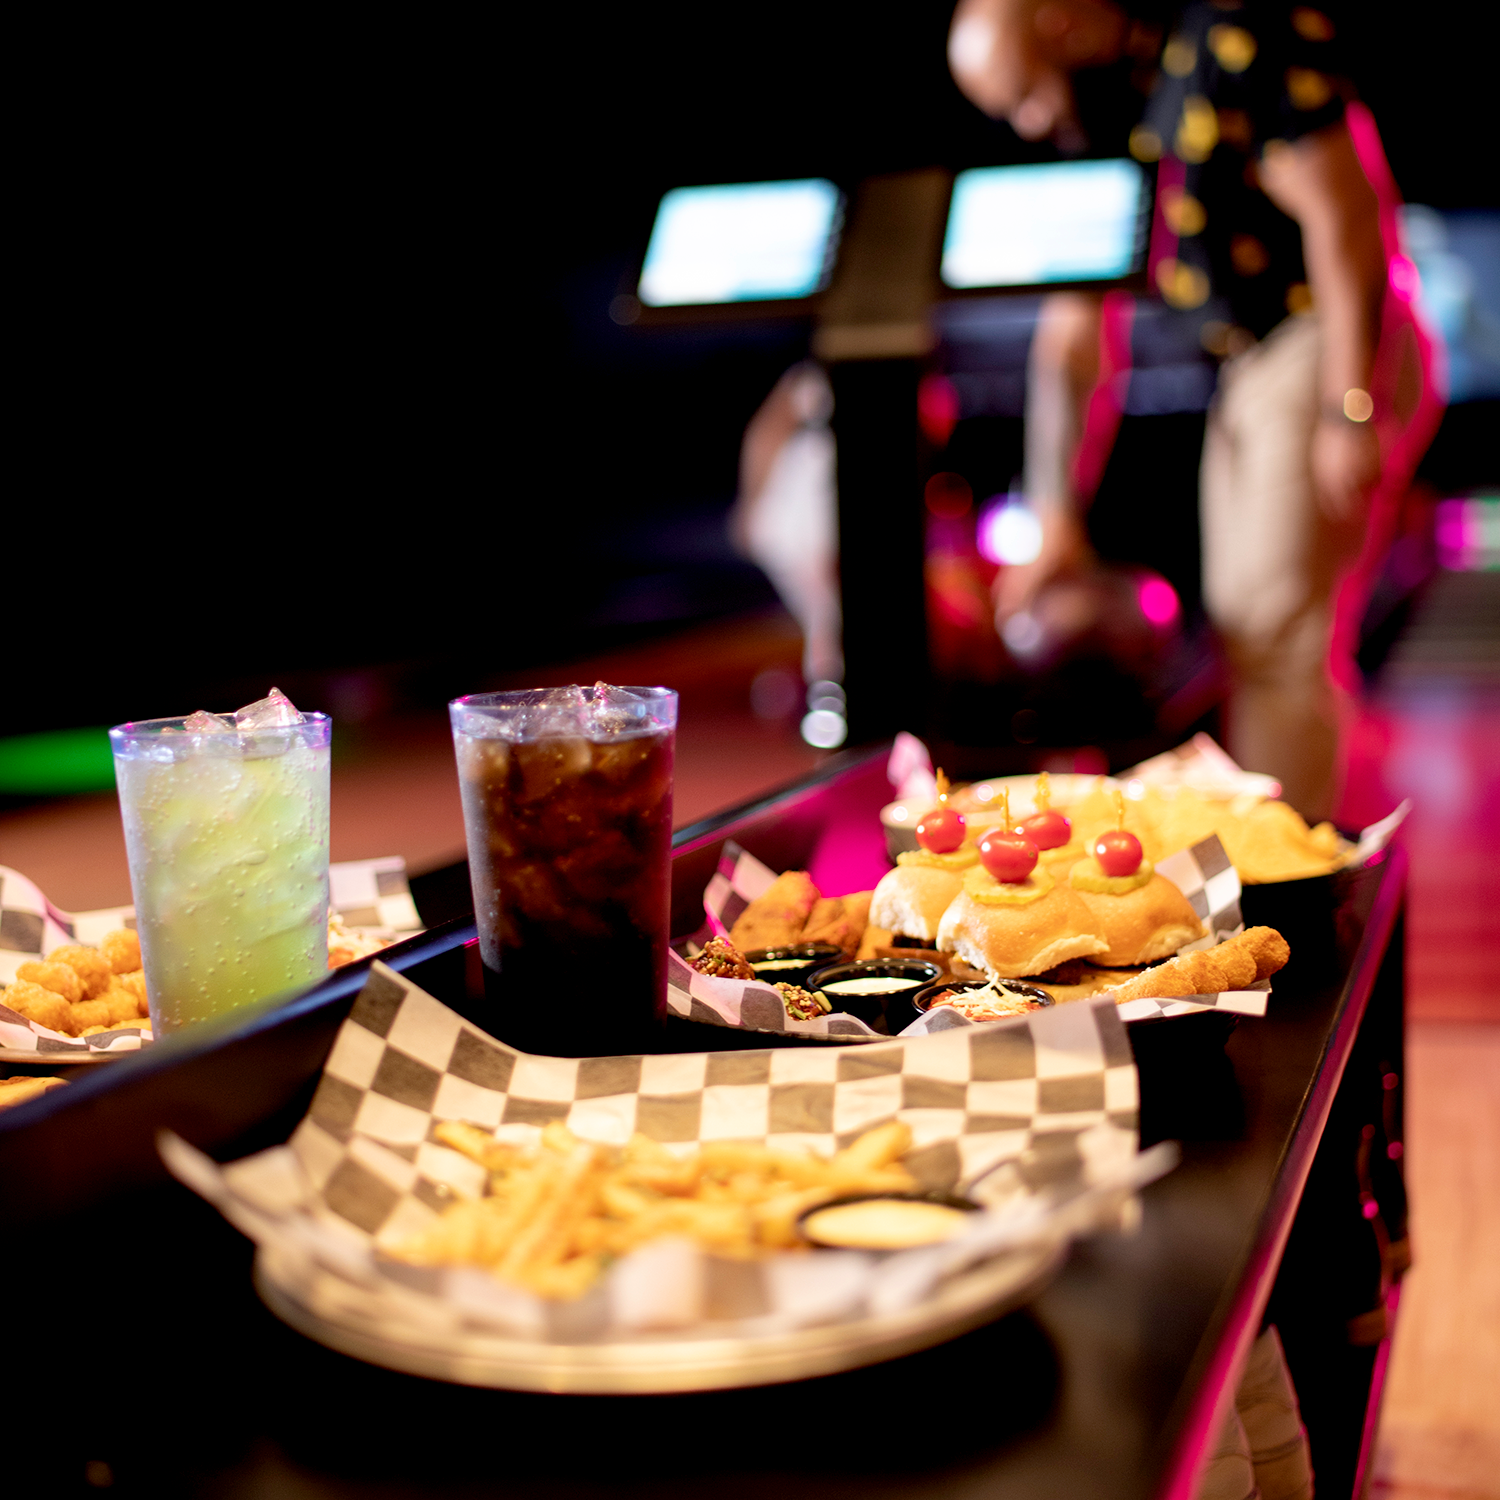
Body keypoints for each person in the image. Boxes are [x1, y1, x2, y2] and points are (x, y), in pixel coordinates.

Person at [948, 0, 1388, 820]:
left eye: (1027, 93)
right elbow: (1074, 338)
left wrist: (1348, 405)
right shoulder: (1120, 112)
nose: (1033, 121)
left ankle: (1293, 891)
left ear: (1062, 23)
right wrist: (1054, 519)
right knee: (1252, 633)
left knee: (1273, 629)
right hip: (1253, 358)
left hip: (1321, 335)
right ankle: (1291, 859)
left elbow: (1348, 216)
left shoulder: (1231, 35)